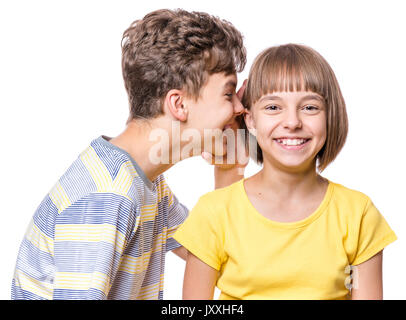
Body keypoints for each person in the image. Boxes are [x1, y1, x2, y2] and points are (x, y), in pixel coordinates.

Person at [11, 9, 247, 300]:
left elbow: (212, 254)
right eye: (229, 94)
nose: (240, 108)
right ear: (179, 104)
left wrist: (230, 169)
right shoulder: (106, 196)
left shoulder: (147, 183)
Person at [173, 44, 398, 300]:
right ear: (250, 119)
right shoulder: (213, 212)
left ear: (330, 115)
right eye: (273, 107)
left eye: (310, 107)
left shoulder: (358, 214)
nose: (292, 122)